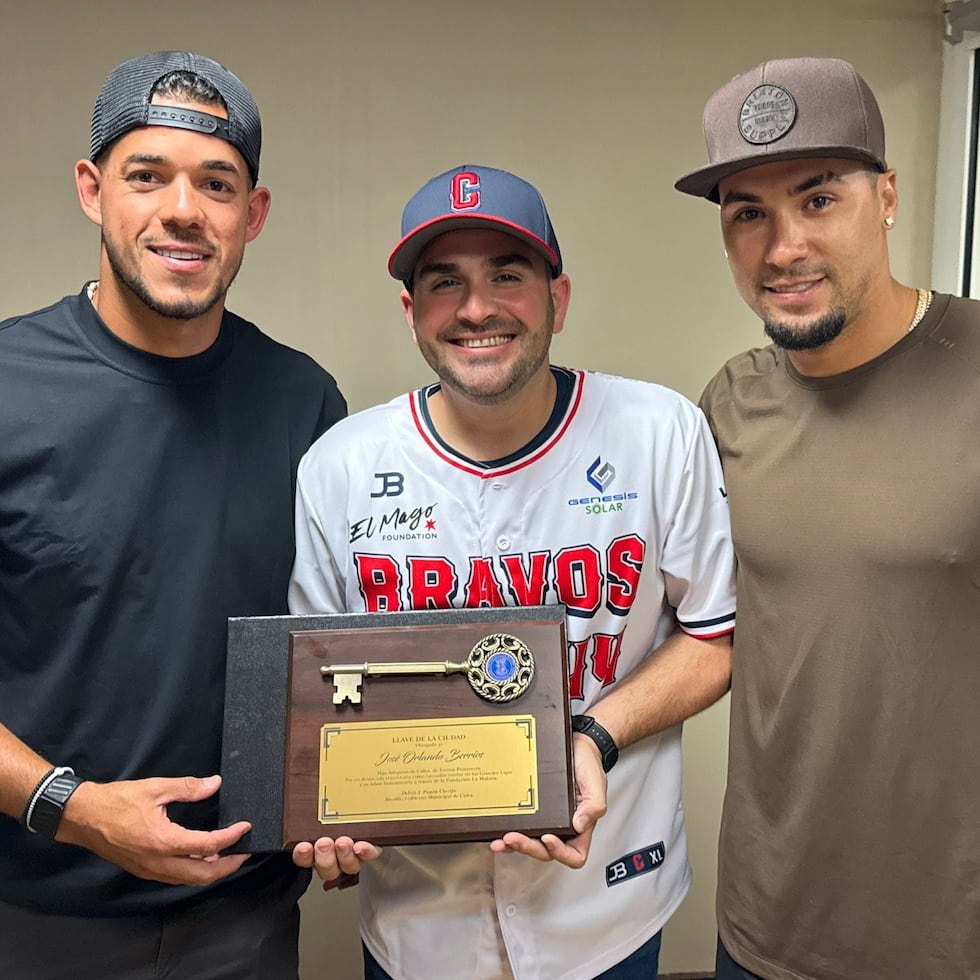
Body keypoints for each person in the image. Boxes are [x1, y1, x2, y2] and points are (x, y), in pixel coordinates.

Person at [288, 163, 736, 979]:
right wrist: (327, 816)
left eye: (507, 275)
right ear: (412, 312)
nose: (476, 307)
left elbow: (714, 638)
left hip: (609, 907)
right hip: (419, 919)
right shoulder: (340, 466)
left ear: (557, 298)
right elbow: (323, 692)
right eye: (444, 282)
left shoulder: (660, 431)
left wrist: (594, 735)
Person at [0, 51, 346, 978]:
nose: (183, 210)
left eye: (216, 183)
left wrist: (350, 804)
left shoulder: (304, 404)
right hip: (34, 911)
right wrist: (72, 807)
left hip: (244, 915)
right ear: (92, 189)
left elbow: (336, 655)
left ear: (253, 214)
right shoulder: (5, 387)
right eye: (146, 176)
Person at [676, 57, 980, 980]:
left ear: (886, 197)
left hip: (953, 933)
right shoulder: (727, 405)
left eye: (818, 200)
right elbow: (697, 635)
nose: (783, 249)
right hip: (770, 927)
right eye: (748, 215)